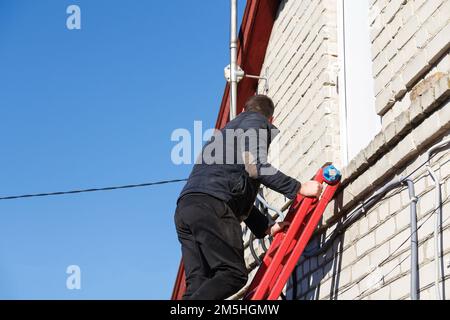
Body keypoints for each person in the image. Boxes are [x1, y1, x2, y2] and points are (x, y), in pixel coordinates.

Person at [174, 95, 323, 300]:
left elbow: (234, 189)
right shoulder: (257, 122)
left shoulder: (223, 135)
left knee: (198, 283)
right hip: (213, 205)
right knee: (232, 273)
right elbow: (256, 168)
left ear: (242, 110)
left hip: (186, 208)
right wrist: (298, 187)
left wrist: (265, 227)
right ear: (270, 119)